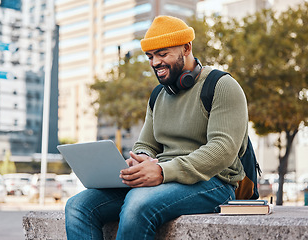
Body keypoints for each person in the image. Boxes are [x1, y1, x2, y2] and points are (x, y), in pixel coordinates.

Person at [65, 15, 248, 239]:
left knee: (137, 204)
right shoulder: (159, 95)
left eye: (163, 54)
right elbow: (146, 144)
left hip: (213, 183)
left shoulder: (222, 86)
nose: (155, 63)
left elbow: (222, 150)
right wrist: (140, 160)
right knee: (78, 206)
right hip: (162, 180)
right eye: (151, 56)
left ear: (187, 47)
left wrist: (162, 171)